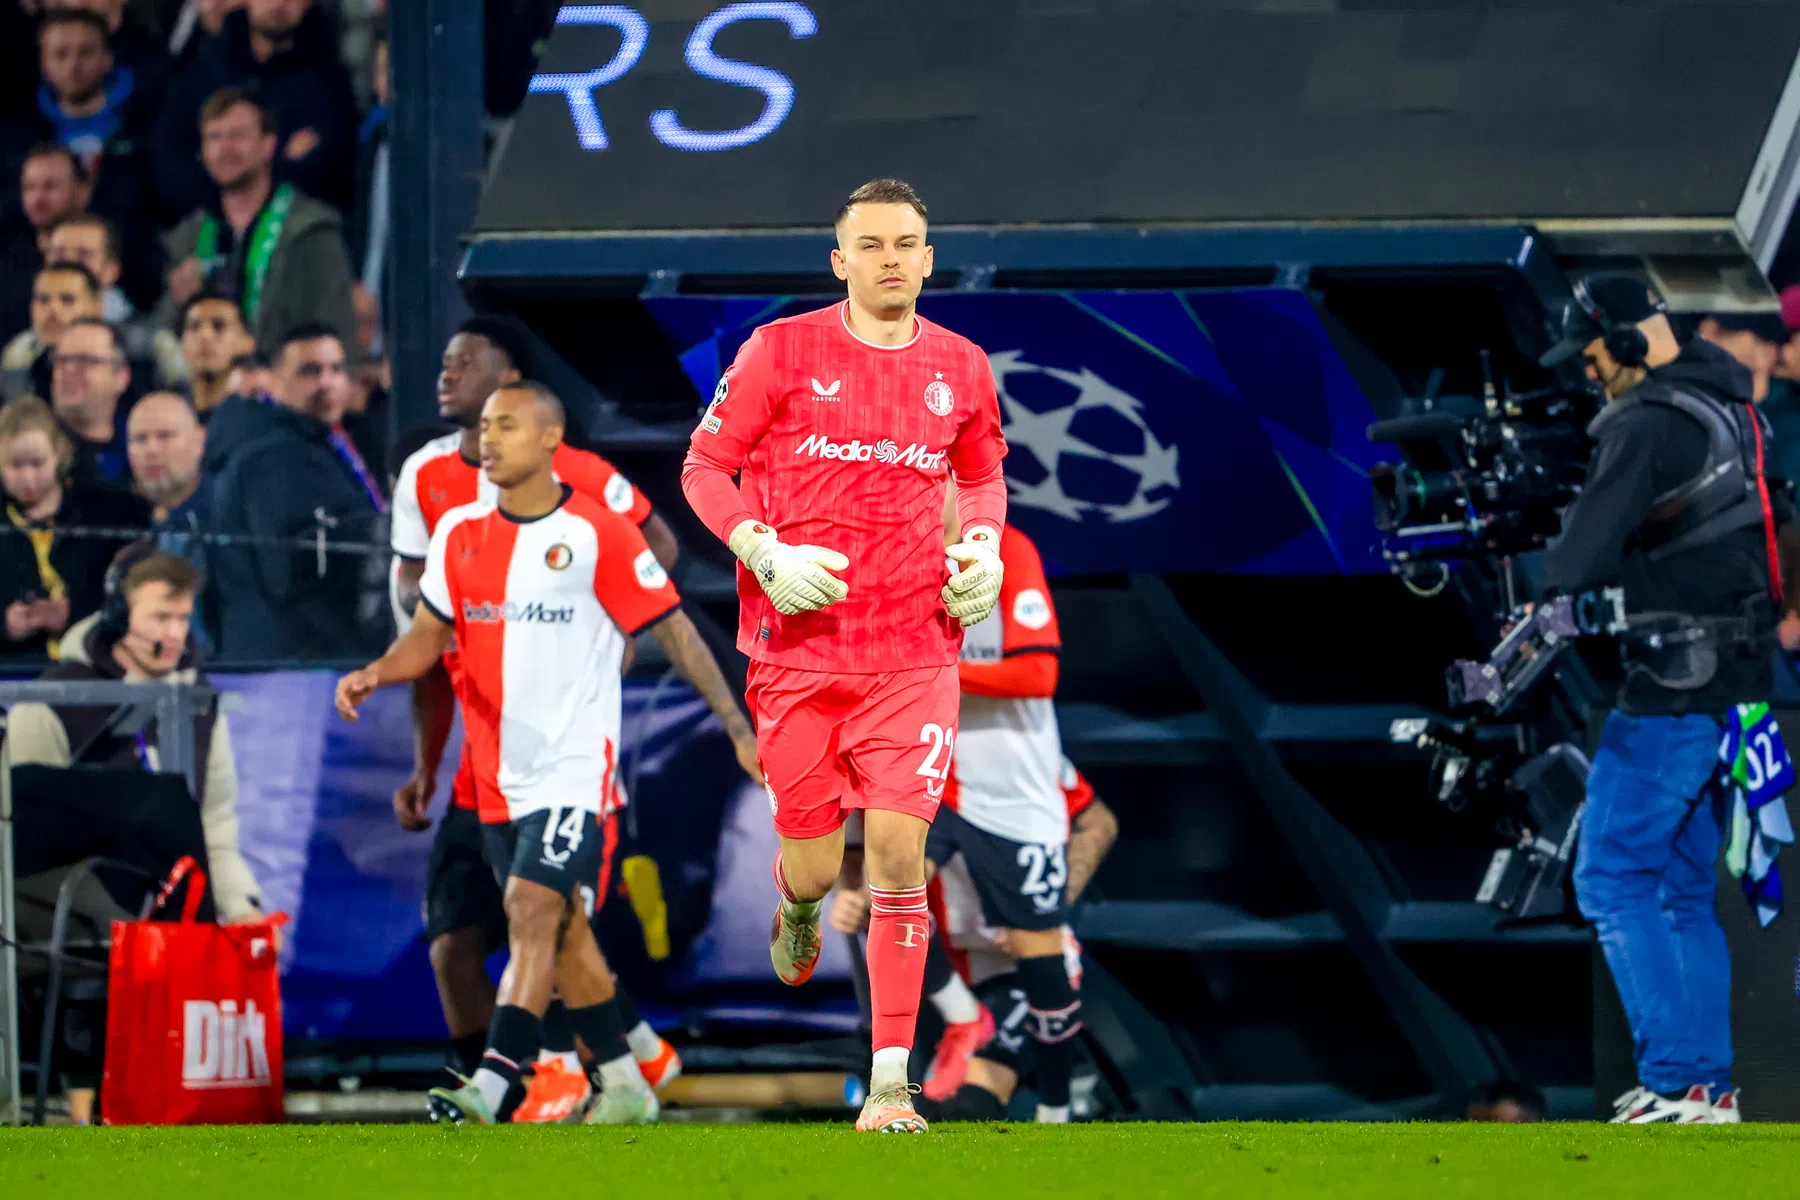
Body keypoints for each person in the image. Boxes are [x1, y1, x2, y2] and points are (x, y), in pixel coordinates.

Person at [334, 381, 761, 1127]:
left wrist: (737, 724)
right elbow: (427, 639)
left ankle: (494, 1085)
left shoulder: (597, 532)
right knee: (560, 930)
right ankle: (630, 1078)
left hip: (573, 771)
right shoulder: (460, 533)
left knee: (530, 907)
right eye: (485, 427)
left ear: (549, 441)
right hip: (497, 775)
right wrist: (377, 670)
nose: (487, 439)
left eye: (505, 426)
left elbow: (675, 630)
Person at [679, 177, 1008, 1133]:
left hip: (914, 652)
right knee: (821, 869)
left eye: (907, 243)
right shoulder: (782, 349)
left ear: (929, 257)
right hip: (797, 653)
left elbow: (982, 474)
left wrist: (981, 548)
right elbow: (704, 467)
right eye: (871, 245)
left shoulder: (961, 364)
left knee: (902, 859)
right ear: (840, 261)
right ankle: (797, 903)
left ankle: (892, 1082)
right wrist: (761, 549)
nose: (891, 260)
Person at [389, 319, 683, 1102]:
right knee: (470, 938)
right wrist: (423, 754)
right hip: (481, 752)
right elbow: (420, 621)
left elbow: (657, 551)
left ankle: (516, 1082)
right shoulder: (427, 487)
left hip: (565, 749)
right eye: (442, 360)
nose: (447, 373)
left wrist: (613, 632)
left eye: (468, 363)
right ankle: (631, 1061)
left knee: (538, 910)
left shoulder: (576, 477)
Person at [1540, 273, 1796, 1124]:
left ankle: (1678, 1080)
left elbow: (1571, 569)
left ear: (1622, 341)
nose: (1588, 378)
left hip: (1671, 689)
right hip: (1740, 688)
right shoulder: (1736, 407)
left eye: (1589, 359)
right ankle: (1704, 1092)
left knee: (1611, 879)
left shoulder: (1648, 421)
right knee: (1682, 892)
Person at [7, 543, 260, 1124]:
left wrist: (239, 910)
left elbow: (214, 822)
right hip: (66, 912)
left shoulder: (201, 705)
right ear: (120, 616)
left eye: (182, 618)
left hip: (165, 912)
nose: (174, 633)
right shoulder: (52, 700)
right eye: (158, 617)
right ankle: (86, 1113)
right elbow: (21, 834)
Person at [207, 321, 380, 661]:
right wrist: (379, 534)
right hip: (291, 668)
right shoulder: (272, 455)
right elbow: (292, 570)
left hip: (304, 662)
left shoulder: (316, 445)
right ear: (272, 381)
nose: (326, 382)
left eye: (336, 369)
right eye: (309, 371)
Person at [162, 88, 355, 353]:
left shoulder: (313, 233)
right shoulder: (187, 239)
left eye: (237, 136)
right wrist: (179, 305)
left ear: (268, 144)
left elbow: (337, 334)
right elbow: (164, 342)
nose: (224, 148)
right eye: (214, 137)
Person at [0, 9, 160, 307]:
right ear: (43, 63)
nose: (73, 65)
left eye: (85, 52)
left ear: (107, 57)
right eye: (60, 54)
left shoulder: (144, 121)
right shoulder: (18, 136)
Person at [153, 0, 358, 219]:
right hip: (206, 232)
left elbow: (327, 168)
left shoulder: (329, 83)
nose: (279, 4)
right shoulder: (206, 70)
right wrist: (278, 164)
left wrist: (227, 169)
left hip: (296, 232)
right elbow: (170, 160)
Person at [0, 394, 147, 659]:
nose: (28, 477)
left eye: (37, 463)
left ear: (58, 454)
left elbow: (130, 597)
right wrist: (5, 625)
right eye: (15, 466)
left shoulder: (104, 513)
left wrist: (74, 613)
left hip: (93, 667)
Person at [45, 213, 185, 388]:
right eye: (59, 255)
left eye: (83, 256)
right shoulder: (22, 351)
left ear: (111, 270)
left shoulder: (152, 346)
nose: (69, 264)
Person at [127, 390, 214, 647]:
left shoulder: (228, 516)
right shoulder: (126, 520)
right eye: (139, 439)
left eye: (165, 436)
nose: (151, 450)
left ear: (199, 442)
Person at [0, 145, 92, 339]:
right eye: (29, 188)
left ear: (83, 191)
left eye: (50, 186)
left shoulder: (106, 252)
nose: (37, 199)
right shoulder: (7, 261)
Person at [2, 260, 101, 403]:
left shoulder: (125, 369)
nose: (52, 309)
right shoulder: (16, 369)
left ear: (97, 308)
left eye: (67, 300)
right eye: (43, 300)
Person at [50, 315, 133, 486]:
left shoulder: (139, 445)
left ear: (121, 377)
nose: (70, 369)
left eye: (86, 360)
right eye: (62, 360)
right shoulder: (31, 443)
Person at [177, 289, 255, 416]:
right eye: (194, 326)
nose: (205, 336)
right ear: (181, 344)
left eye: (218, 326)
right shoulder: (165, 413)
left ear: (247, 343)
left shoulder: (259, 416)